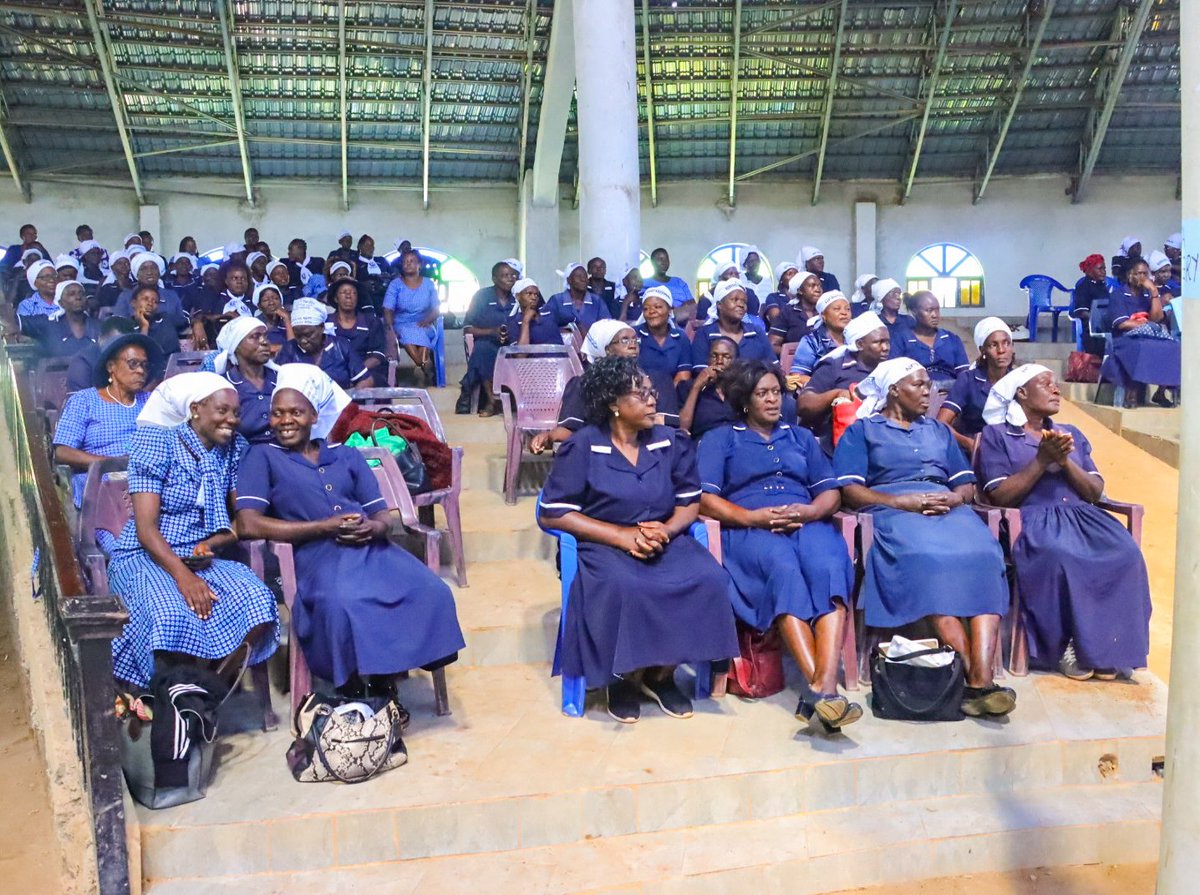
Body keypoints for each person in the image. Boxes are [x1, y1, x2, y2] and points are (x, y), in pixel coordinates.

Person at [235, 364, 464, 701]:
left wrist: (373, 527)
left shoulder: (346, 455)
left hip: (373, 549)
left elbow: (382, 515)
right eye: (277, 413)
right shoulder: (263, 457)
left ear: (314, 416)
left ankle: (386, 681)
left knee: (432, 590)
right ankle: (360, 690)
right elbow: (248, 523)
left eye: (296, 412)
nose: (285, 420)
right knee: (346, 603)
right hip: (316, 555)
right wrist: (322, 528)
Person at [537, 356, 738, 723]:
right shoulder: (583, 446)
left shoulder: (669, 441)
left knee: (708, 579)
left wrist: (667, 529)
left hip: (663, 537)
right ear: (614, 403)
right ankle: (622, 679)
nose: (652, 401)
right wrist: (621, 536)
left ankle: (661, 675)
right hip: (604, 542)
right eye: (640, 394)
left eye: (651, 393)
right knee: (622, 585)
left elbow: (689, 503)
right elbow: (551, 512)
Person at [833, 357, 1014, 718]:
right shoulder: (863, 430)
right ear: (894, 390)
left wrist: (954, 497)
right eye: (918, 385)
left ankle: (979, 680)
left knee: (985, 554)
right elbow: (850, 490)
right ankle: (975, 676)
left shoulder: (938, 431)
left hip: (946, 508)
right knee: (927, 559)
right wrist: (898, 501)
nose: (928, 392)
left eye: (928, 385)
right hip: (893, 510)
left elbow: (964, 483)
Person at [698, 360, 860, 731]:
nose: (773, 400)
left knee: (830, 564)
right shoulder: (722, 438)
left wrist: (808, 511)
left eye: (777, 392)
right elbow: (706, 500)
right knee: (782, 568)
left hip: (805, 519)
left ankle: (822, 690)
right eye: (762, 394)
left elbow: (830, 493)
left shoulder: (800, 437)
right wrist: (752, 518)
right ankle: (824, 691)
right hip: (748, 526)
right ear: (744, 400)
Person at [107, 372, 280, 690]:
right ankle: (181, 694)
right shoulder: (157, 441)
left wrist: (209, 545)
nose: (231, 419)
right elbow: (146, 529)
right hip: (148, 554)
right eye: (222, 410)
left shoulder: (235, 448)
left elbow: (241, 522)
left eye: (236, 413)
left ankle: (206, 688)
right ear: (196, 409)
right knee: (167, 610)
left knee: (259, 601)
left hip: (204, 555)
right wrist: (184, 576)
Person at [978, 365, 1151, 680]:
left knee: (1126, 554)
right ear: (1021, 393)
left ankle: (1108, 650)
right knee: (1063, 556)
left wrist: (1064, 461)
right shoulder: (998, 435)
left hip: (1083, 516)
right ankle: (1068, 647)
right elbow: (1000, 496)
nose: (1056, 389)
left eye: (1055, 383)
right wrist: (1041, 461)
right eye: (1045, 384)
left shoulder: (1071, 433)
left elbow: (1094, 491)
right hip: (1032, 519)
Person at [531, 319, 681, 453]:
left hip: (649, 450)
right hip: (598, 453)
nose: (633, 345)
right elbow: (570, 429)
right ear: (606, 349)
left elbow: (668, 425)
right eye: (624, 340)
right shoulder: (583, 384)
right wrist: (548, 437)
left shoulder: (658, 379)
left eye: (635, 340)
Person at [53, 332, 157, 507]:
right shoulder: (85, 400)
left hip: (147, 481)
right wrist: (109, 463)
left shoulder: (151, 400)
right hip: (102, 483)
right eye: (133, 364)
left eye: (144, 365)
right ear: (111, 366)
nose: (141, 371)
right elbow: (62, 452)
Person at [797, 310, 890, 455]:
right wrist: (836, 394)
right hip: (840, 444)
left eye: (887, 342)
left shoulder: (889, 369)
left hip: (884, 442)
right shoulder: (834, 367)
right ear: (859, 344)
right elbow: (804, 405)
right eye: (878, 342)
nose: (886, 348)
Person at [1107, 258, 1179, 407]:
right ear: (1129, 275)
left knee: (1173, 347)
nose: (1142, 278)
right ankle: (1131, 392)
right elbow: (1122, 323)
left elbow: (1157, 318)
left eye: (1145, 274)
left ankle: (1160, 392)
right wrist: (1143, 324)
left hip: (1148, 335)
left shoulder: (1147, 295)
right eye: (1139, 273)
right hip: (1125, 339)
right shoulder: (1119, 295)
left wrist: (1154, 292)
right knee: (1141, 348)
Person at [937, 317, 1015, 454]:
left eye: (1006, 343)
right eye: (993, 345)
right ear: (982, 350)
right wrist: (968, 443)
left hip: (1011, 448)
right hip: (977, 448)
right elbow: (941, 422)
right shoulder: (969, 380)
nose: (1001, 350)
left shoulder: (1020, 380)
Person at [201, 316, 278, 445]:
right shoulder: (223, 386)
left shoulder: (281, 379)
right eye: (255, 336)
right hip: (243, 455)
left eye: (265, 336)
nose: (264, 342)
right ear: (236, 346)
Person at [458, 258, 521, 415]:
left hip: (514, 344)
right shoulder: (482, 296)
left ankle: (519, 400)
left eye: (513, 275)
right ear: (494, 278)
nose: (510, 278)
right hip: (489, 343)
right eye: (505, 275)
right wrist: (492, 332)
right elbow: (468, 329)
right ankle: (492, 401)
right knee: (482, 349)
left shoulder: (519, 296)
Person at [276, 298, 368, 390]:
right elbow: (278, 383)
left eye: (308, 334)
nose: (303, 341)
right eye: (298, 335)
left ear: (322, 327)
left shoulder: (341, 346)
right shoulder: (289, 349)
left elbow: (365, 379)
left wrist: (347, 398)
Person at [382, 248, 441, 386]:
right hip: (401, 323)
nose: (408, 264)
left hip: (425, 323)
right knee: (406, 331)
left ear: (419, 265)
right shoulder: (395, 284)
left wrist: (428, 320)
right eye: (405, 262)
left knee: (420, 330)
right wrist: (390, 327)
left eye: (412, 261)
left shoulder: (428, 284)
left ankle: (420, 367)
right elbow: (388, 308)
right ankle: (424, 365)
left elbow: (436, 308)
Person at [691, 280, 773, 371]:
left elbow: (773, 366)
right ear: (719, 305)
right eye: (735, 300)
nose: (741, 305)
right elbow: (700, 372)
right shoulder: (704, 334)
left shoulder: (757, 332)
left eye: (744, 302)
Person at [895, 291, 969, 391]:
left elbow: (964, 376)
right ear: (914, 311)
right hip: (915, 395)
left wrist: (943, 387)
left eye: (937, 310)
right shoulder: (902, 340)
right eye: (929, 310)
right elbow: (896, 377)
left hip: (951, 394)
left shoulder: (951, 339)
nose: (935, 315)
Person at [329, 276, 388, 387]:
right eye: (343, 292)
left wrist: (355, 372)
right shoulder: (326, 322)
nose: (348, 296)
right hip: (334, 371)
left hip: (367, 370)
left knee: (364, 383)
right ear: (336, 298)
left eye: (353, 293)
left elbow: (377, 356)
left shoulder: (371, 322)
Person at [24, 280, 101, 359]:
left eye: (81, 293)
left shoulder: (99, 326)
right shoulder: (48, 325)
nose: (78, 297)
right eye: (71, 294)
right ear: (61, 303)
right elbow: (15, 322)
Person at [788, 291, 851, 385]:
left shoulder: (857, 340)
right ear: (823, 316)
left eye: (848, 309)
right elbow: (797, 376)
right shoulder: (812, 341)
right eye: (837, 309)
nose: (844, 313)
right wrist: (826, 389)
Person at [634, 286, 693, 386]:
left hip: (673, 395)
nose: (651, 311)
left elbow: (683, 375)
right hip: (640, 394)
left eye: (657, 307)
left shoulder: (680, 337)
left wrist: (666, 397)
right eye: (646, 308)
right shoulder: (634, 335)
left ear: (670, 310)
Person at [112, 253, 187, 330]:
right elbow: (118, 326)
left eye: (154, 268)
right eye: (144, 269)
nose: (149, 272)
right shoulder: (126, 297)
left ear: (159, 273)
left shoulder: (171, 296)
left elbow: (182, 323)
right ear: (137, 274)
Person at [68, 317, 138, 393]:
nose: (119, 350)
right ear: (100, 339)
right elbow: (82, 401)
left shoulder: (134, 362)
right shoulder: (82, 364)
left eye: (126, 346)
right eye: (114, 343)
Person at [547, 262, 611, 338]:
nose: (583, 279)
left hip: (591, 347)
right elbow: (547, 326)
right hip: (563, 347)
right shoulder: (556, 301)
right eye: (578, 276)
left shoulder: (597, 301)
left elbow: (607, 326)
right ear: (569, 280)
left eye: (585, 276)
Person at [121, 284, 181, 359]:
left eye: (155, 301)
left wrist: (196, 322)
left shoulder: (166, 318)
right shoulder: (126, 327)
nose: (150, 304)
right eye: (145, 299)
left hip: (174, 366)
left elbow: (189, 321)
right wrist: (144, 327)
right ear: (133, 303)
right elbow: (139, 357)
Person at [768, 270, 821, 353]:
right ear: (800, 290)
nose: (818, 289)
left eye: (819, 286)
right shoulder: (788, 312)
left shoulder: (824, 311)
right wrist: (793, 355)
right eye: (812, 286)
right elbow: (773, 345)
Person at [1070, 254, 1110, 356]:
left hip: (1107, 328)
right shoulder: (1083, 286)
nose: (1104, 271)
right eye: (1100, 268)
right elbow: (1082, 312)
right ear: (1090, 270)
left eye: (1104, 268)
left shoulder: (1102, 286)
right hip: (1092, 332)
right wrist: (1099, 319)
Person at [644, 247, 694, 318]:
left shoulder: (679, 282)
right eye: (660, 259)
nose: (664, 262)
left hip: (684, 317)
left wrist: (680, 309)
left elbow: (692, 302)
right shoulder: (644, 283)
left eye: (666, 259)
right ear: (652, 262)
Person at [16, 260, 60, 332]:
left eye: (54, 276)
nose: (52, 280)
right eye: (45, 277)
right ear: (35, 282)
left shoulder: (66, 301)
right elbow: (24, 333)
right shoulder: (27, 306)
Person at [354, 234, 392, 313]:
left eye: (372, 245)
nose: (370, 248)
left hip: (385, 301)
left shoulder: (382, 261)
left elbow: (392, 276)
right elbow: (351, 282)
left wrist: (387, 278)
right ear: (360, 247)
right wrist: (362, 285)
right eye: (367, 245)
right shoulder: (355, 263)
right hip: (365, 302)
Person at [253, 282, 293, 351]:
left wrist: (287, 320)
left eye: (275, 298)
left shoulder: (291, 320)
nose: (271, 303)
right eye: (265, 300)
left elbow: (294, 347)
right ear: (259, 306)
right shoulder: (255, 324)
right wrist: (283, 348)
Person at [761, 261, 799, 327]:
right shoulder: (773, 297)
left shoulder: (803, 297)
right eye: (790, 274)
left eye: (796, 274)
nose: (794, 277)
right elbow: (776, 320)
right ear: (781, 279)